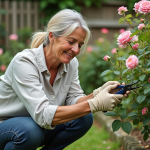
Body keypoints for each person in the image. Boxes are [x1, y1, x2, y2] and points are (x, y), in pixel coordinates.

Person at [0, 9, 129, 150]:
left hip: (35, 123)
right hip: (7, 126)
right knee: (29, 131)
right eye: (71, 41)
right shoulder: (24, 62)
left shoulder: (71, 63)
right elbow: (43, 115)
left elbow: (73, 99)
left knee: (84, 118)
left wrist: (97, 94)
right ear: (51, 36)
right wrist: (95, 104)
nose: (76, 50)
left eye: (80, 45)